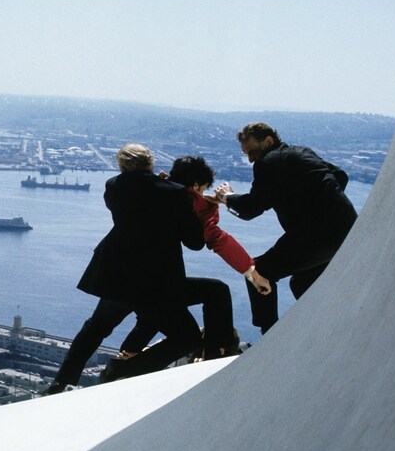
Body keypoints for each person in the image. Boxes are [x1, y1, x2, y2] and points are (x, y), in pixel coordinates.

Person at [43, 143, 206, 395]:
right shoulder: (174, 193)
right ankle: (124, 370)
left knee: (95, 328)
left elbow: (139, 203)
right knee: (188, 338)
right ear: (151, 163)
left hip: (117, 274)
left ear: (122, 166)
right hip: (155, 281)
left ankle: (61, 381)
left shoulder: (113, 187)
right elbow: (194, 242)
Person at [117, 156, 271, 363]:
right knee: (217, 292)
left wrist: (206, 199)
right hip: (157, 282)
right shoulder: (186, 202)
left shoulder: (154, 190)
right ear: (196, 185)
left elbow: (183, 194)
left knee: (159, 312)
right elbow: (217, 238)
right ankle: (214, 355)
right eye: (202, 189)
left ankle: (126, 356)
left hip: (126, 275)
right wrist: (252, 273)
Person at [214, 122, 357, 334]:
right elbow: (340, 176)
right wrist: (317, 201)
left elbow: (251, 208)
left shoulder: (267, 164)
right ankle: (328, 329)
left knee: (258, 272)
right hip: (348, 231)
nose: (251, 159)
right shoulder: (303, 152)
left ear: (268, 141)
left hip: (314, 236)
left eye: (252, 151)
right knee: (301, 282)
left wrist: (226, 197)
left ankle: (269, 337)